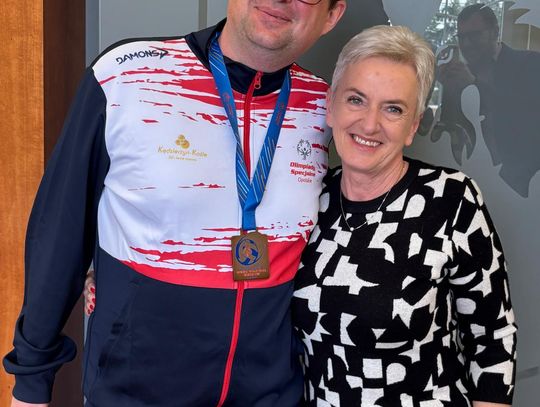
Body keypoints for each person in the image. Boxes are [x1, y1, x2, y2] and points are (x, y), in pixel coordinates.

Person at [3, 1, 347, 406]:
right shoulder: (126, 75)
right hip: (134, 394)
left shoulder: (326, 108)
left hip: (271, 395)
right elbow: (61, 228)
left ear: (332, 15)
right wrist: (32, 377)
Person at [291, 25, 517, 406]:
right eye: (356, 99)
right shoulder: (310, 197)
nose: (369, 124)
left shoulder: (451, 199)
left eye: (393, 109)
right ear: (330, 105)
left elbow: (494, 339)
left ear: (413, 126)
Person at [435, 3, 540, 197]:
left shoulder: (530, 64)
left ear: (495, 32)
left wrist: (473, 85)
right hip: (468, 180)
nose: (466, 44)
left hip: (518, 188)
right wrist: (448, 89)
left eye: (474, 36)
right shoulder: (461, 74)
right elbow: (453, 131)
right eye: (461, 37)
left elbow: (526, 119)